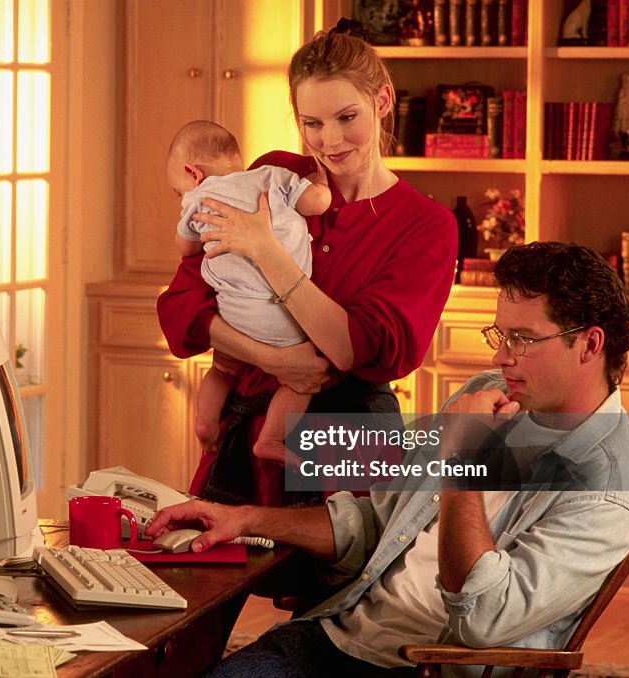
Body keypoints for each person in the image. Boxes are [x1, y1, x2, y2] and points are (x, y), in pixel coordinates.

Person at [147, 242, 629, 676]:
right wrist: (246, 519)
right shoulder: (492, 394)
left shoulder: (612, 488)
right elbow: (381, 519)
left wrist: (463, 458)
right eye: (501, 336)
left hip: (422, 666)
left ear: (590, 345)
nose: (500, 358)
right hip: (341, 633)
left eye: (522, 340)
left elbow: (482, 616)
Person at [157, 24, 458, 506]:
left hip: (348, 434)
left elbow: (350, 349)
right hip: (245, 421)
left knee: (328, 578)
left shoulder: (426, 225)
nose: (330, 140)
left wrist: (265, 249)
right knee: (216, 574)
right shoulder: (273, 176)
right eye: (311, 123)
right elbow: (181, 304)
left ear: (382, 101)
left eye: (346, 117)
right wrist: (271, 358)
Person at [167, 119, 332, 467]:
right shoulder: (272, 175)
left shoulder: (198, 198)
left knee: (223, 370)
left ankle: (205, 422)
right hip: (281, 318)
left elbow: (185, 249)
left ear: (191, 173)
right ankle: (271, 439)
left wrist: (190, 214)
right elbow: (317, 202)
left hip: (233, 312)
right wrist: (319, 182)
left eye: (177, 190)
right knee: (302, 382)